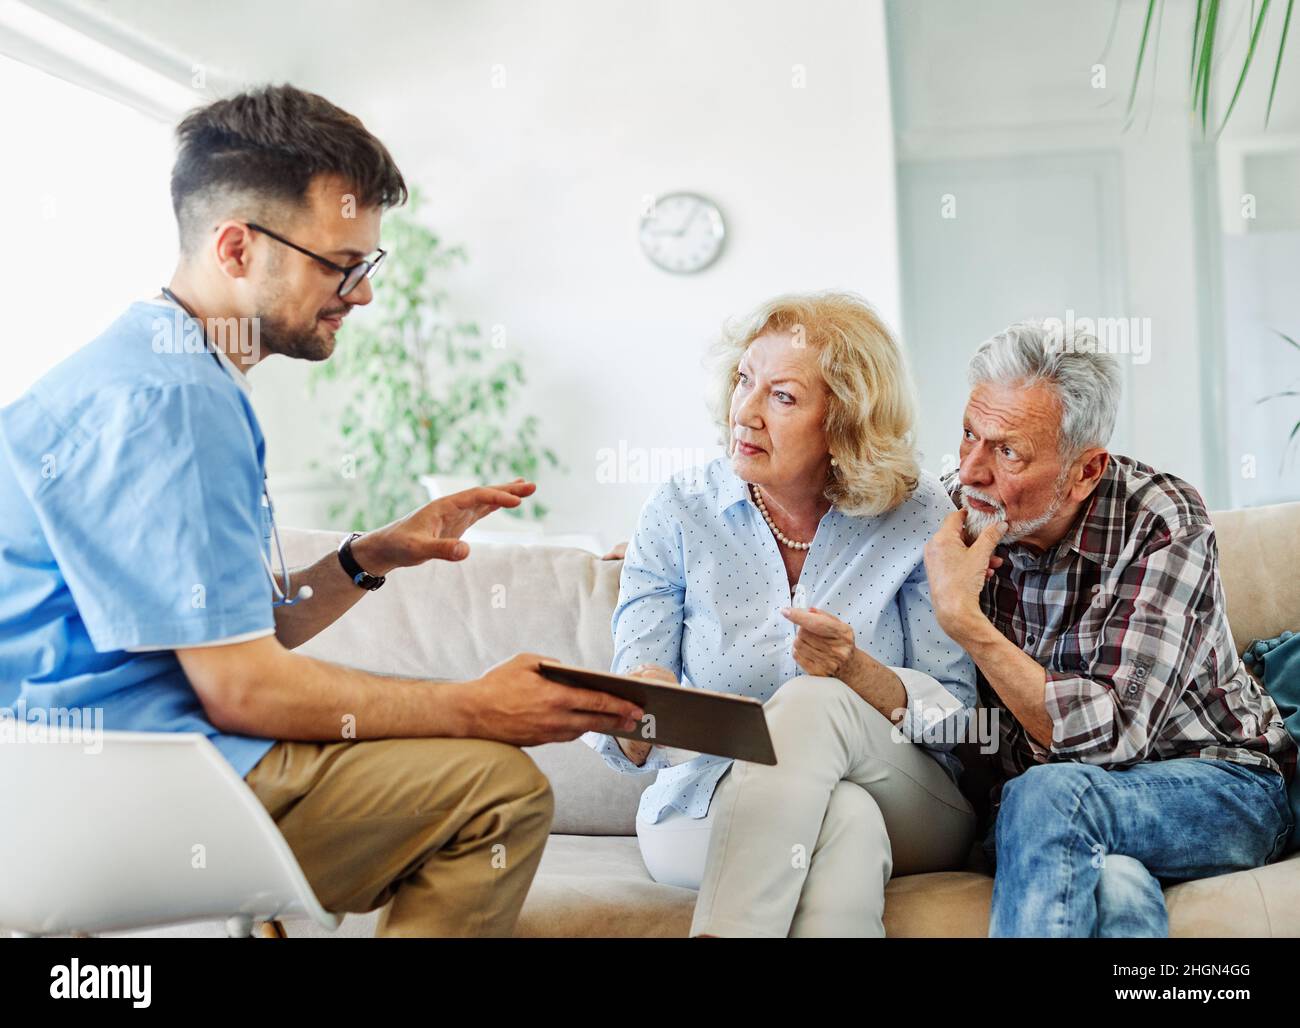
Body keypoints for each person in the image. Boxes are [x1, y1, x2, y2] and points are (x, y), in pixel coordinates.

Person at [0, 84, 642, 937]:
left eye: (366, 265)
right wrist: (478, 707)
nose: (363, 294)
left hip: (85, 783)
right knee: (498, 792)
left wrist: (364, 560)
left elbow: (231, 640)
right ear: (237, 248)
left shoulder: (145, 370)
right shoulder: (175, 403)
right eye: (342, 263)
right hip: (129, 792)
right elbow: (242, 690)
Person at [585, 291, 978, 937]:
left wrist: (854, 671)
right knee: (844, 820)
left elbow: (954, 719)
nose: (745, 411)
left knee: (812, 703)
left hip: (906, 794)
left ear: (845, 421)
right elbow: (629, 713)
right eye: (745, 380)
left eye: (783, 396)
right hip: (705, 801)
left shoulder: (916, 514)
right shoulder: (679, 511)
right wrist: (639, 711)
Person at [922, 319, 1297, 937]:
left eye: (1007, 450)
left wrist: (964, 621)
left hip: (1220, 786)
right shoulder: (956, 521)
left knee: (1050, 796)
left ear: (1086, 470)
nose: (970, 471)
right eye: (968, 435)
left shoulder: (1162, 518)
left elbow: (1114, 734)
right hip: (1053, 818)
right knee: (1113, 887)